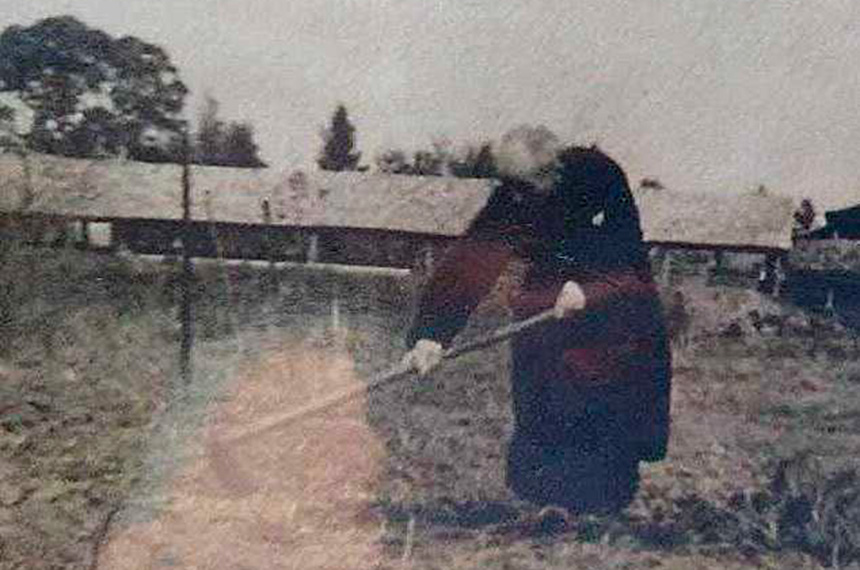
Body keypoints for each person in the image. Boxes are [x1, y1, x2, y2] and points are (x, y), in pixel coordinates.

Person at [402, 125, 672, 515]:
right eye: (510, 185)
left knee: (599, 400)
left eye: (527, 184)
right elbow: (471, 261)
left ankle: (602, 505)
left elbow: (626, 246)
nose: (518, 195)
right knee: (542, 395)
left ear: (555, 170)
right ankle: (548, 502)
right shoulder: (514, 195)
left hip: (613, 301)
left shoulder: (599, 175)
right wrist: (431, 335)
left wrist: (588, 287)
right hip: (549, 302)